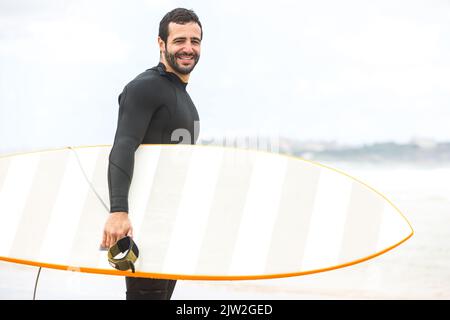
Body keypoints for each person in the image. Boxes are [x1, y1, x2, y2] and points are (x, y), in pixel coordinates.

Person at [100, 8, 202, 300]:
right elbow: (123, 145)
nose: (188, 48)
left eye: (194, 41)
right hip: (146, 226)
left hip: (170, 224)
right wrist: (118, 211)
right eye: (179, 40)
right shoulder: (145, 88)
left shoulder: (184, 98)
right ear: (161, 43)